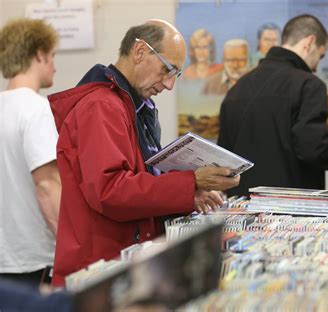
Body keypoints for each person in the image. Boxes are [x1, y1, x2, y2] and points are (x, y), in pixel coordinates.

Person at [48, 19, 240, 286]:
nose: (170, 84)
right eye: (167, 69)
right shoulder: (101, 106)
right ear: (140, 51)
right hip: (102, 267)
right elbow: (110, 191)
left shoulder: (137, 106)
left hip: (124, 258)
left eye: (176, 74)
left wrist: (188, 196)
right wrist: (190, 181)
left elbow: (143, 178)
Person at [217, 14, 328, 196]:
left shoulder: (236, 89)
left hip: (240, 212)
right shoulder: (309, 85)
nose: (317, 67)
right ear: (309, 43)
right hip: (293, 211)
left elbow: (225, 157)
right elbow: (313, 149)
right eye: (321, 56)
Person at [0, 18, 61, 287]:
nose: (54, 65)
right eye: (52, 56)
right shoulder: (36, 109)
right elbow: (47, 185)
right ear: (39, 53)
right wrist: (68, 249)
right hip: (31, 260)